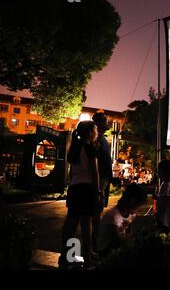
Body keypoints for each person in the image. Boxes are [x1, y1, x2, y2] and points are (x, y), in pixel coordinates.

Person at [59, 121, 100, 268]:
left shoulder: (74, 148)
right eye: (95, 130)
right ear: (90, 132)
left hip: (74, 188)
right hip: (87, 189)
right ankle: (87, 259)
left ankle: (66, 255)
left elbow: (71, 172)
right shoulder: (90, 149)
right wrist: (98, 192)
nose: (97, 133)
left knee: (71, 223)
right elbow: (95, 172)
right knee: (86, 226)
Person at [96, 183, 147, 256]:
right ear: (132, 201)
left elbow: (129, 235)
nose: (138, 210)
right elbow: (116, 242)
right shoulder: (112, 216)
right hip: (106, 251)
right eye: (138, 206)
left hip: (120, 248)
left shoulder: (131, 215)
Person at [92, 112, 112, 252]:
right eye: (106, 120)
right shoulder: (96, 139)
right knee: (95, 213)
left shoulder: (103, 139)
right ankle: (95, 246)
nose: (108, 122)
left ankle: (96, 245)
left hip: (104, 180)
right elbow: (95, 163)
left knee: (98, 211)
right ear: (98, 123)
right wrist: (98, 187)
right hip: (99, 181)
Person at [154, 160, 170, 233]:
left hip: (165, 219)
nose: (158, 172)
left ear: (165, 171)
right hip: (164, 218)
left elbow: (165, 200)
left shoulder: (168, 184)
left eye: (159, 170)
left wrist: (157, 197)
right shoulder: (165, 183)